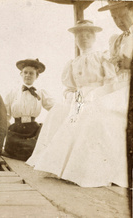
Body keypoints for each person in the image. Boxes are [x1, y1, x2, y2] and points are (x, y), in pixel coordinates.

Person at [26, 20, 128, 188]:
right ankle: (53, 164)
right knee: (59, 110)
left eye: (88, 35)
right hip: (78, 97)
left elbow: (111, 81)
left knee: (83, 113)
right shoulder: (73, 63)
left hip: (98, 95)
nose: (84, 38)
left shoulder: (101, 56)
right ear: (75, 39)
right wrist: (71, 95)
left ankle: (80, 168)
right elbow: (69, 88)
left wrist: (94, 94)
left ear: (94, 37)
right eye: (80, 35)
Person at [98, 1, 133, 164]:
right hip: (119, 86)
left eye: (123, 16)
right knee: (90, 105)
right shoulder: (117, 40)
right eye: (114, 17)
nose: (119, 21)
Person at [3, 59, 54, 161]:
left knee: (34, 151)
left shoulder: (41, 92)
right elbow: (5, 114)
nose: (28, 75)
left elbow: (53, 107)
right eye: (25, 72)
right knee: (12, 151)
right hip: (16, 130)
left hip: (32, 131)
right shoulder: (12, 92)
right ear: (21, 74)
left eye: (31, 73)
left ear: (36, 76)